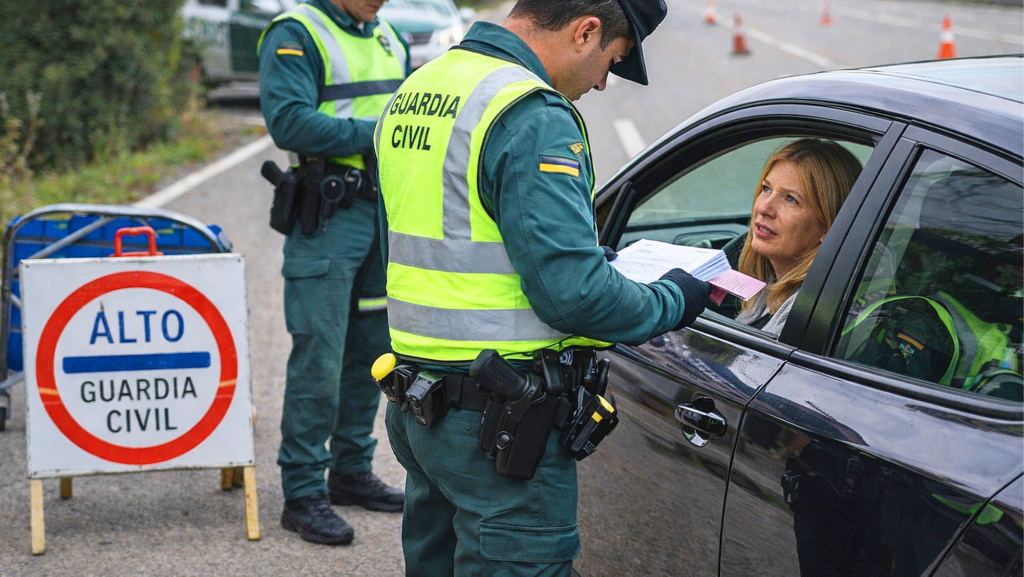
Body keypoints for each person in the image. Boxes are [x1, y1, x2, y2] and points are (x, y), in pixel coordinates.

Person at [373, 0, 712, 574]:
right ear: (586, 31)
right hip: (496, 424)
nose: (603, 82)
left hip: (420, 405)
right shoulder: (531, 112)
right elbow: (572, 297)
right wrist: (676, 298)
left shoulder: (420, 89)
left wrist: (585, 258)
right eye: (612, 59)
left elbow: (445, 238)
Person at [257, 0, 411, 546]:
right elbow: (289, 121)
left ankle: (350, 472)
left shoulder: (390, 35)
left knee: (371, 351)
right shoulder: (296, 33)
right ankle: (302, 494)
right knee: (318, 354)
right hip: (329, 215)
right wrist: (379, 133)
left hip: (382, 214)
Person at [735, 138, 863, 334]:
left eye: (791, 199)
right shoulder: (770, 283)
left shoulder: (808, 313)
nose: (764, 208)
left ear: (829, 227)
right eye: (766, 188)